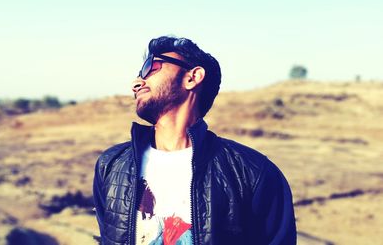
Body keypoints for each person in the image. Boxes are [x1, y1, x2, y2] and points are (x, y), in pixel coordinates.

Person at [93, 36, 296, 245]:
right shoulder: (111, 165)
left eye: (150, 67)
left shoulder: (253, 172)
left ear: (193, 77)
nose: (137, 83)